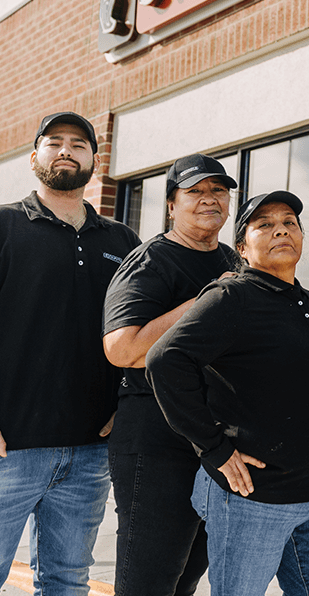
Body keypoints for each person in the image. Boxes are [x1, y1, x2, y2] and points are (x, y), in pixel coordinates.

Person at [146, 191, 309, 596]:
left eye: (290, 222)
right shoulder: (233, 297)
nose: (281, 228)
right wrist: (214, 449)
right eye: (264, 224)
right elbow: (165, 361)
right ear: (242, 247)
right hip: (256, 501)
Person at [0, 111, 140, 595]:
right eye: (54, 142)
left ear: (95, 161)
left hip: (89, 452)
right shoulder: (4, 226)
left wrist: (128, 408)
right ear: (33, 155)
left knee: (66, 581)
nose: (66, 151)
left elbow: (141, 336)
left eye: (78, 145)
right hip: (8, 447)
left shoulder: (122, 242)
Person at [102, 154, 240, 596]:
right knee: (148, 582)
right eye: (195, 191)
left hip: (212, 440)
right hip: (156, 442)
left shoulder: (232, 259)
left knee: (185, 578)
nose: (209, 199)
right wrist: (206, 300)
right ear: (171, 205)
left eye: (218, 190)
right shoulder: (151, 260)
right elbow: (123, 349)